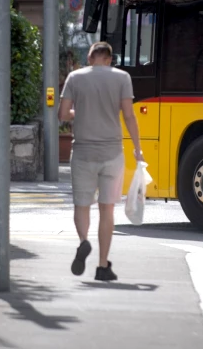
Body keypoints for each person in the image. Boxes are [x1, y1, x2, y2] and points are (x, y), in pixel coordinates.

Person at [58, 41, 144, 281]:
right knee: (107, 209)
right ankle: (103, 266)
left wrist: (80, 112)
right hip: (112, 154)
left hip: (83, 152)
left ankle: (84, 242)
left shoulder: (75, 77)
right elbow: (129, 115)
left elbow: (63, 114)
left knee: (82, 205)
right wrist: (138, 149)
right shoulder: (122, 77)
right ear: (109, 59)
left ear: (90, 57)